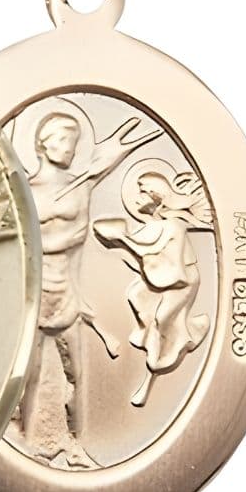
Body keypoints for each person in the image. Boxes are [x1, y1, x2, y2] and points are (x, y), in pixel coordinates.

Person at [20, 109, 159, 466]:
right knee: (28, 373)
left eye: (74, 141)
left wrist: (117, 151)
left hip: (67, 293)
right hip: (31, 297)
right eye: (63, 140)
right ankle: (26, 441)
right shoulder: (25, 190)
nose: (70, 147)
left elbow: (99, 171)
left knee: (76, 375)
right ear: (43, 144)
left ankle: (75, 444)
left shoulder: (80, 184)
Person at [93, 163, 212, 406]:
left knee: (162, 321)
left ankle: (151, 377)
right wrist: (119, 239)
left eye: (143, 192)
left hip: (182, 282)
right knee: (136, 294)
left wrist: (123, 239)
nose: (137, 198)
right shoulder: (153, 227)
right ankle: (163, 341)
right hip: (164, 280)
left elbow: (154, 254)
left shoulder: (174, 226)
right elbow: (139, 253)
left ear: (156, 197)